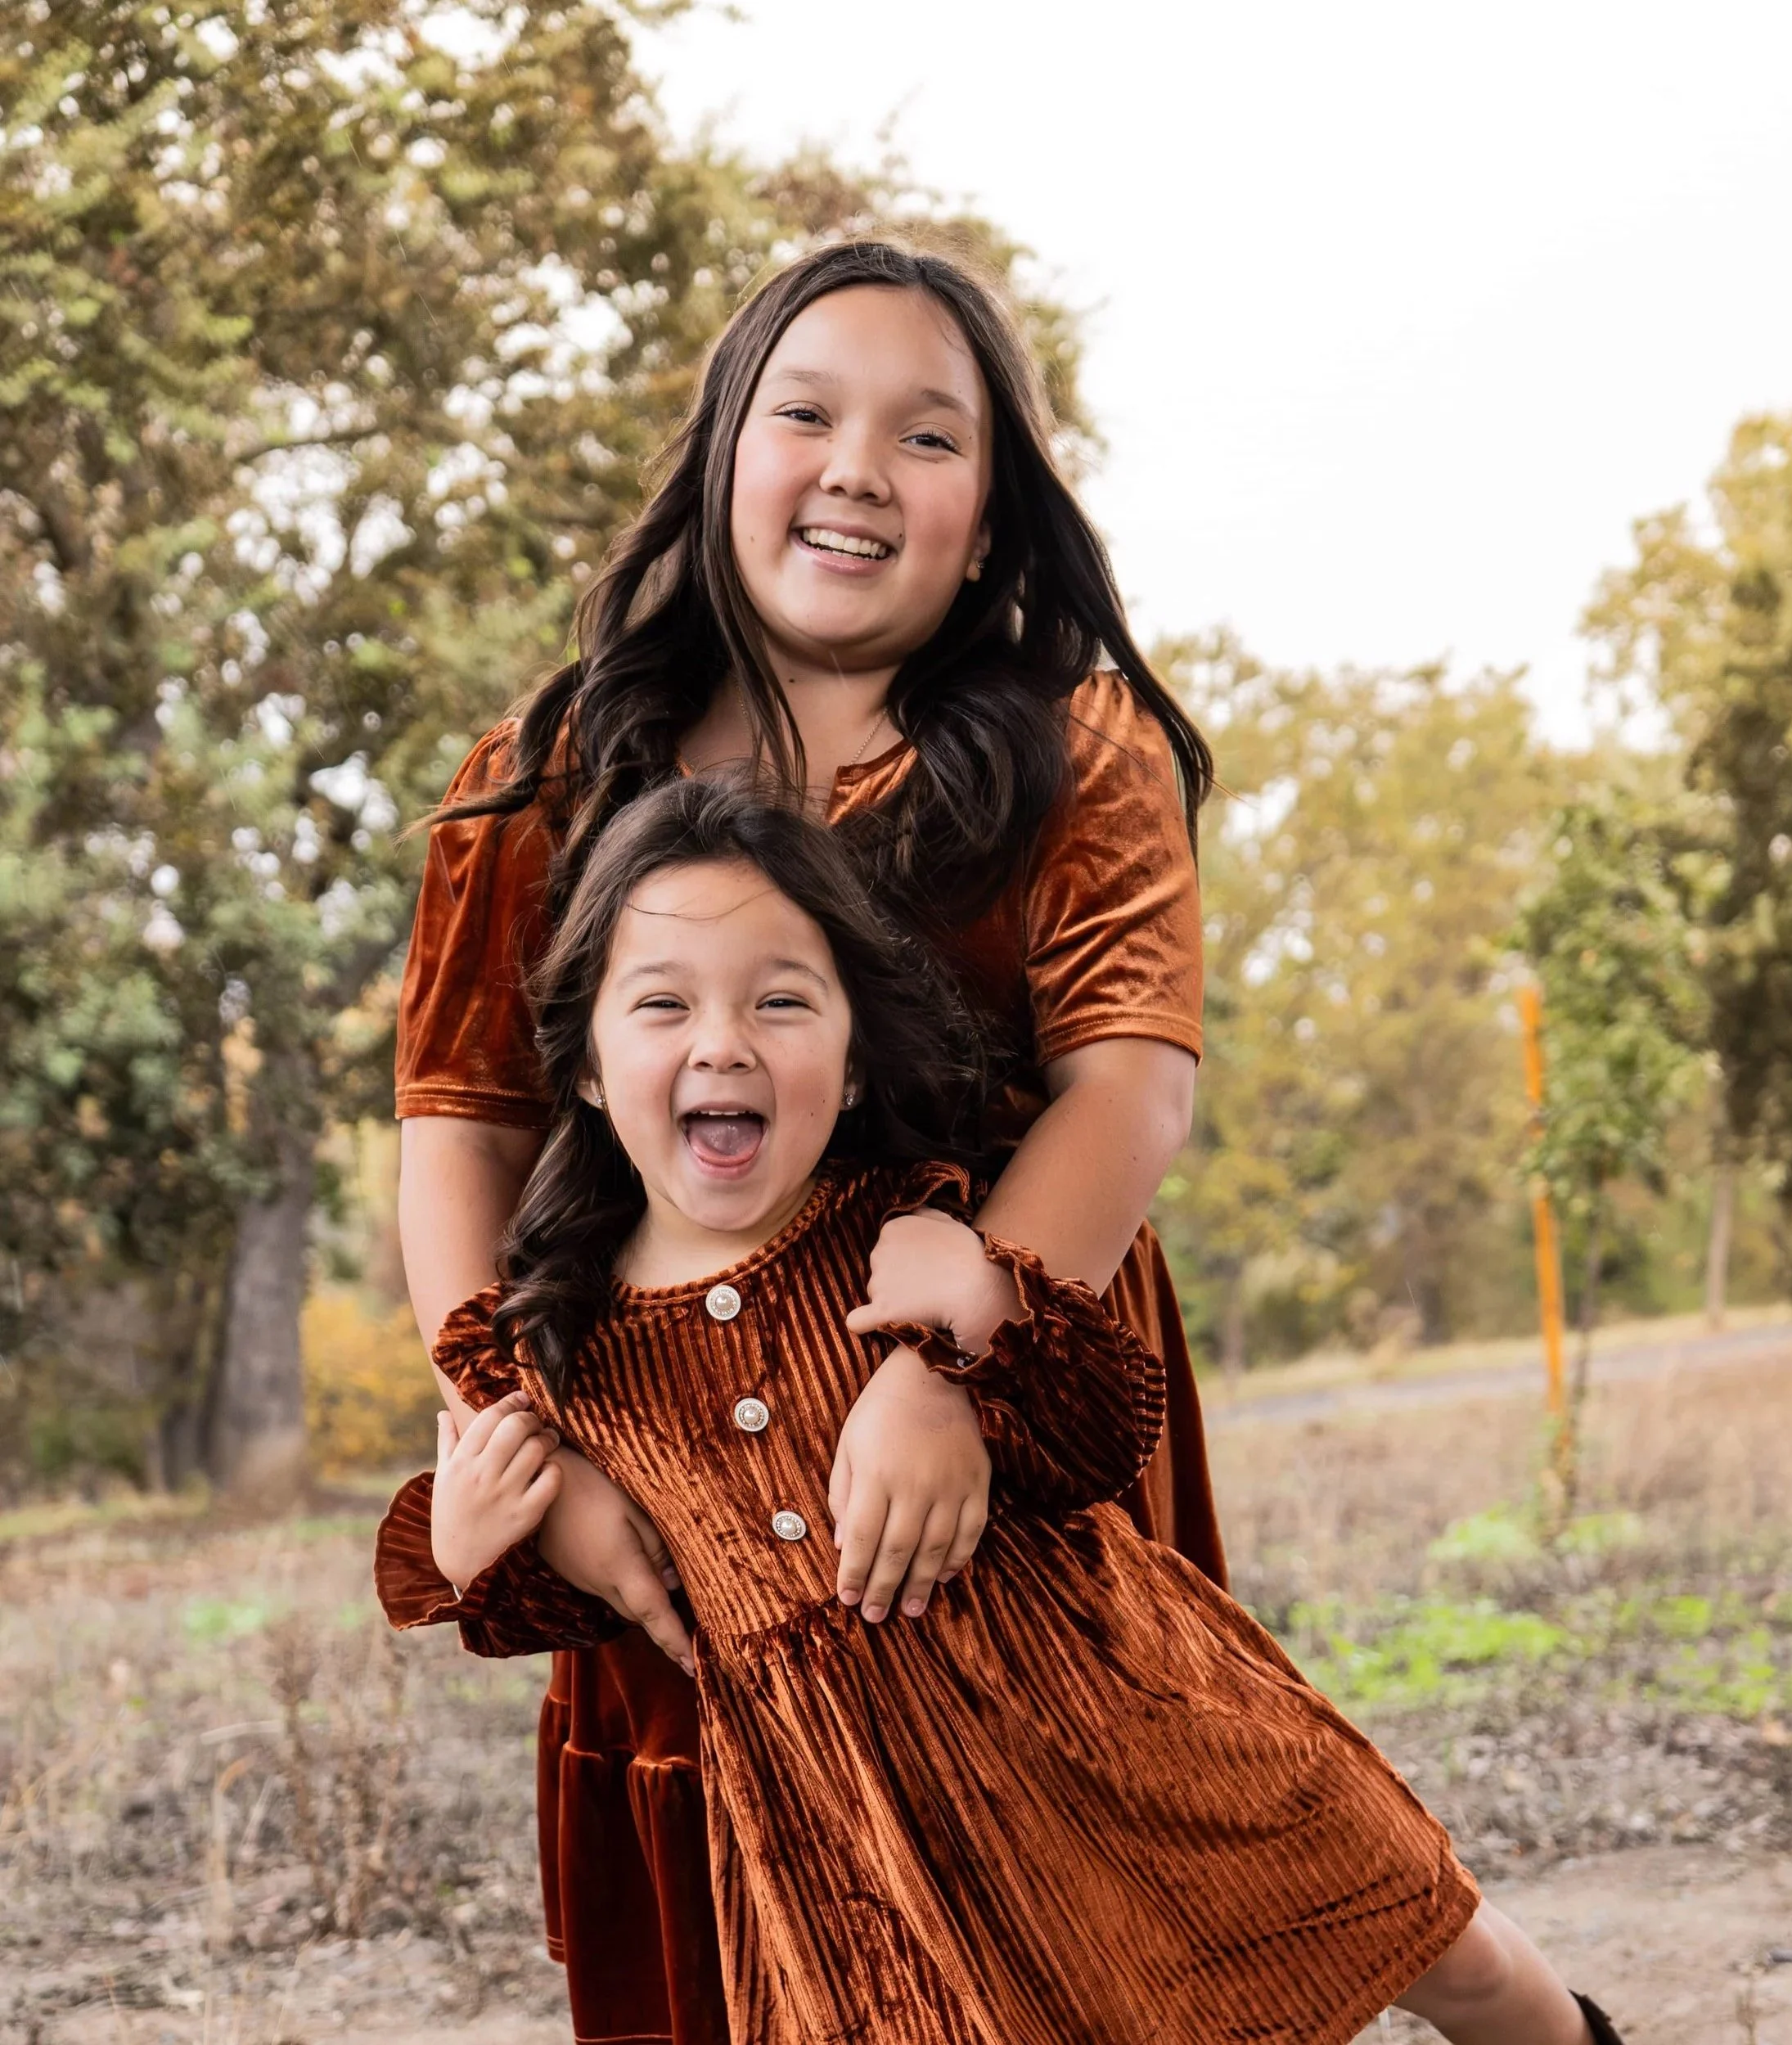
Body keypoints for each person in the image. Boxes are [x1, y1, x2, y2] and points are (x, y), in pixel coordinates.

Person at [381, 777, 1626, 2045]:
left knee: (1430, 1932)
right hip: (860, 1849)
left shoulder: (915, 1234)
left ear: (855, 1056)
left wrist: (982, 1311)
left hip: (1114, 1724)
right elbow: (589, 1603)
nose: (722, 1042)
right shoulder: (562, 1352)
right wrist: (470, 1545)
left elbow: (1093, 1440)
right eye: (662, 1004)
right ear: (586, 1071)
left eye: (779, 1000)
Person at [381, 236, 1227, 2043]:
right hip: (661, 1431)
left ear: (992, 520)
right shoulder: (540, 775)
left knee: (1075, 1898)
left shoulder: (1070, 751)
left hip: (994, 1394)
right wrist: (531, 1456)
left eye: (929, 439)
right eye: (808, 413)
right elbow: (458, 1128)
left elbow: (1128, 1084)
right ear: (718, 458)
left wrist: (953, 1360)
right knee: (739, 1923)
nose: (857, 466)